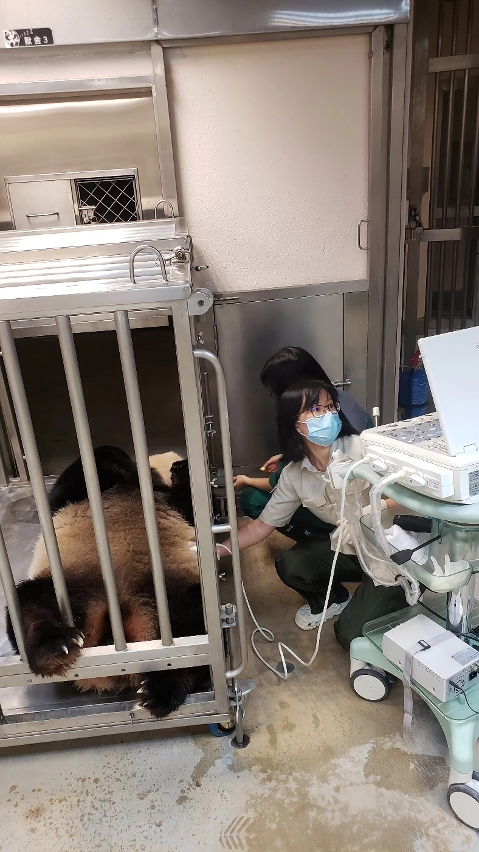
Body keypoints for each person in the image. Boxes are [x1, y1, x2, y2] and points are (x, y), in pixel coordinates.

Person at [221, 378, 406, 651]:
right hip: (351, 546)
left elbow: (412, 496)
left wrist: (374, 509)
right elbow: (261, 526)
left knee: (350, 636)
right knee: (293, 565)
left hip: (393, 554)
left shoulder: (364, 448)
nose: (327, 415)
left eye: (330, 406)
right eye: (316, 410)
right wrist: (217, 550)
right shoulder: (294, 473)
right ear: (294, 424)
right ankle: (333, 600)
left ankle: (400, 595)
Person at [234, 347, 372, 542]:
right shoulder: (337, 399)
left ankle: (319, 539)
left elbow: (281, 484)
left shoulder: (353, 440)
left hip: (362, 517)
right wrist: (286, 457)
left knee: (253, 499)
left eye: (275, 392)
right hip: (340, 508)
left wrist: (248, 480)